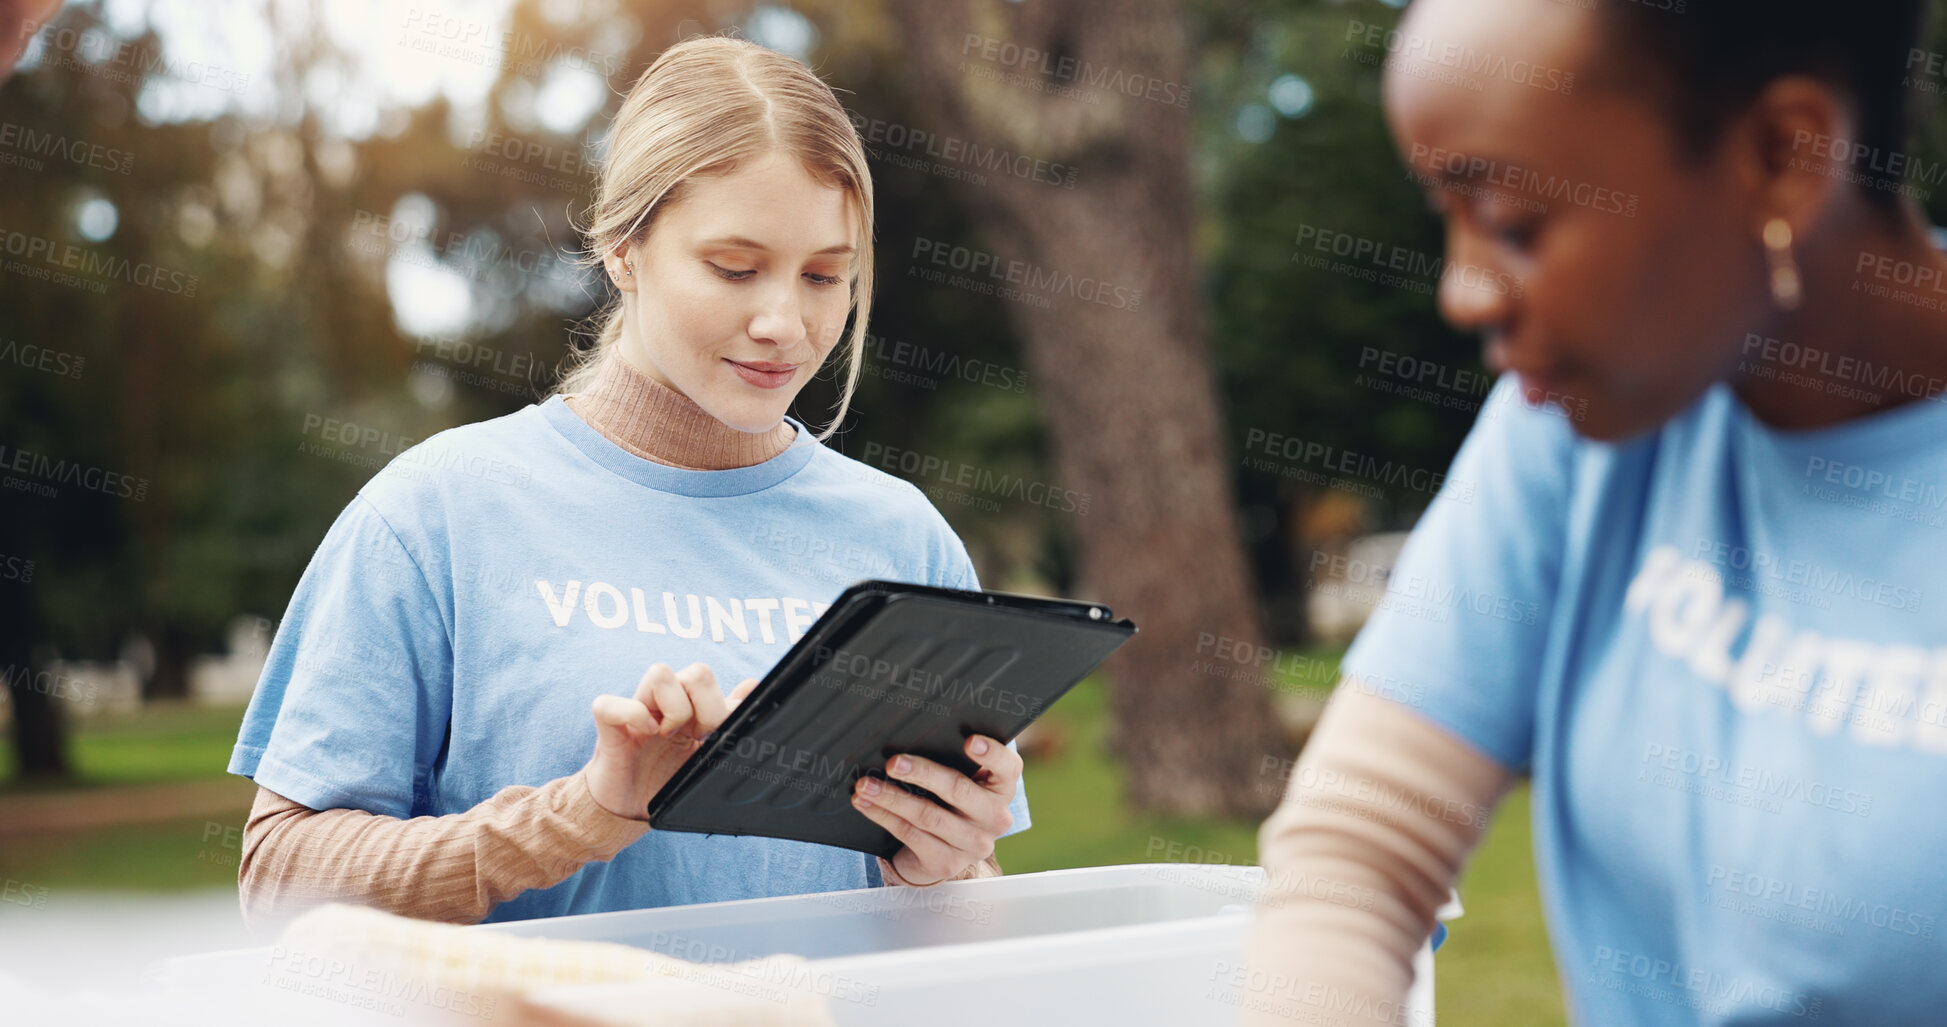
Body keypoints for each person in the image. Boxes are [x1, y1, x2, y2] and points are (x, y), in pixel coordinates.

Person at [1244, 1, 1947, 1024]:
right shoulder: (1588, 413)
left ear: (1782, 153)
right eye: (1447, 212)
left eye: (1516, 224)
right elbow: (1354, 856)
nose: (1465, 293)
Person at [229, 35, 1028, 935]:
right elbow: (279, 880)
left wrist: (946, 869)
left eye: (823, 276)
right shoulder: (437, 512)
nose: (785, 323)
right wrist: (582, 814)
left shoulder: (904, 539)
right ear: (621, 247)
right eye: (733, 268)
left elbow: (967, 930)